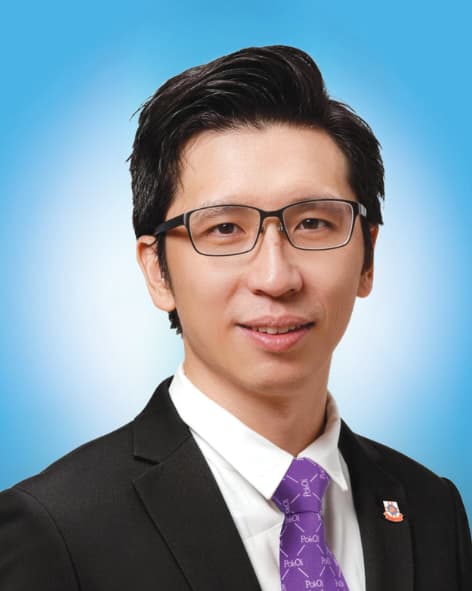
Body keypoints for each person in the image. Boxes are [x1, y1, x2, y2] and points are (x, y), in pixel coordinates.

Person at [0, 45, 470, 591]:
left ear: (367, 257)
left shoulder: (431, 507)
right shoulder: (55, 529)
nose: (276, 277)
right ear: (157, 270)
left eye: (313, 223)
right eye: (224, 228)